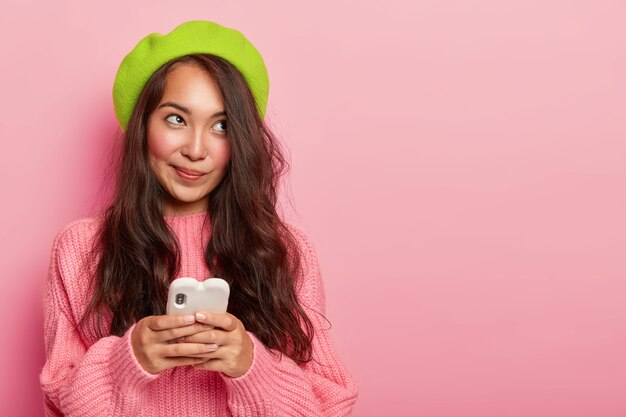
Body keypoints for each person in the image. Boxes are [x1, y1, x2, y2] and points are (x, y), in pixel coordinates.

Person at [39, 20, 358, 416]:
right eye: (176, 119)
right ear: (142, 126)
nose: (195, 149)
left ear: (240, 141)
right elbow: (59, 400)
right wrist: (129, 360)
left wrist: (251, 367)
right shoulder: (80, 249)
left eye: (221, 126)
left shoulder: (282, 250)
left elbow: (330, 403)